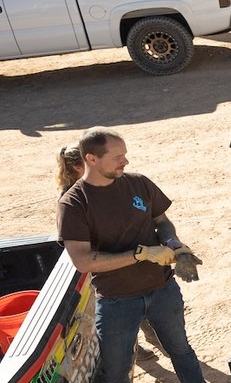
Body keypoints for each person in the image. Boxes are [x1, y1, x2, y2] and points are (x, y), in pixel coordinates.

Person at [55, 128, 223, 383]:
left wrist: (176, 244)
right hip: (116, 298)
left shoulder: (138, 183)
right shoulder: (74, 203)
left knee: (180, 349)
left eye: (125, 155)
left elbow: (161, 221)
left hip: (162, 290)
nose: (125, 161)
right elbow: (82, 260)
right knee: (115, 365)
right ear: (91, 159)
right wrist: (141, 253)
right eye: (117, 157)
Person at [56, 145, 163, 361]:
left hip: (117, 257)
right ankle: (139, 347)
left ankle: (152, 340)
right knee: (120, 308)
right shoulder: (72, 197)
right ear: (79, 166)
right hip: (100, 264)